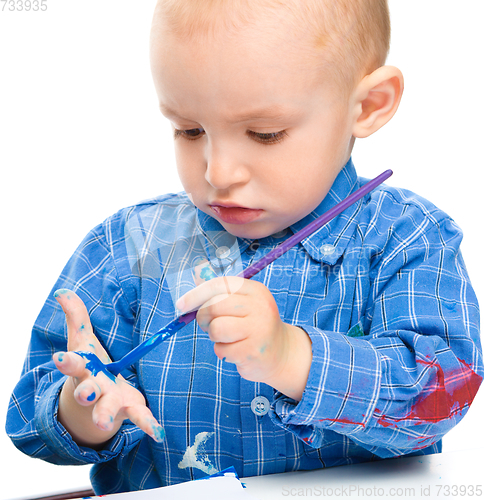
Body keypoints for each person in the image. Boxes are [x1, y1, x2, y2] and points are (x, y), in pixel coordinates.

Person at [6, 0, 482, 495]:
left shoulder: (407, 237)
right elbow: (29, 417)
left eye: (264, 133)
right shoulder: (129, 246)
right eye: (190, 130)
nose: (218, 172)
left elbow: (445, 393)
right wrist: (82, 411)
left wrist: (292, 357)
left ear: (367, 105)